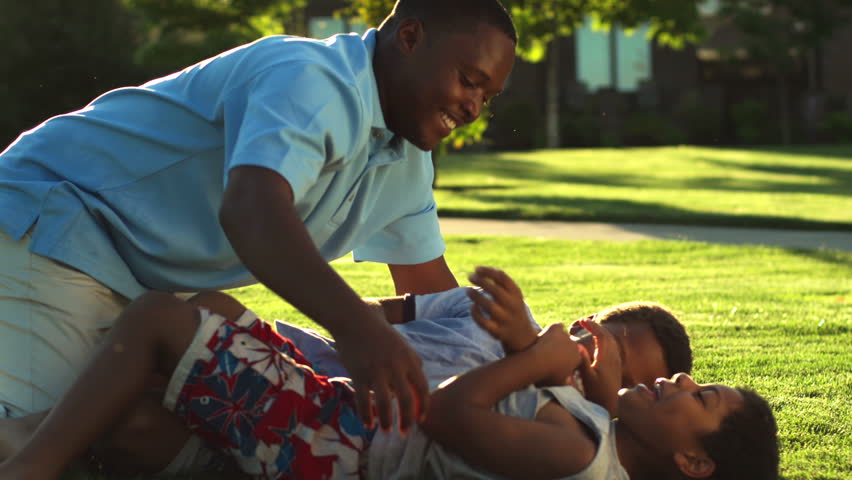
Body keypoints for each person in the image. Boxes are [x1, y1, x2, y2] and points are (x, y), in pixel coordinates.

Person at [0, 0, 517, 467]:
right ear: (409, 37)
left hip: (145, 277)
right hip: (58, 221)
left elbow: (431, 291)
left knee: (140, 432)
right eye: (469, 79)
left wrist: (529, 359)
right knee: (42, 443)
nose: (473, 108)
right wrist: (358, 329)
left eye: (487, 96)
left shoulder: (407, 161)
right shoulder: (310, 77)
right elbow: (252, 209)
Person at [0, 267, 778, 480]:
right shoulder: (594, 438)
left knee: (160, 318)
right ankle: (37, 443)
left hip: (336, 435)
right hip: (334, 421)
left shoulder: (584, 446)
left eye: (698, 396)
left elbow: (444, 418)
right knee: (134, 426)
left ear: (693, 461)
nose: (678, 386)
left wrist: (538, 362)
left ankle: (27, 466)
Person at [274, 270, 693, 390]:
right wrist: (357, 328)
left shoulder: (550, 424)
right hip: (301, 360)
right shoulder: (498, 311)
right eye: (612, 346)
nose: (603, 366)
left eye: (624, 378)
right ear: (586, 324)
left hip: (337, 415)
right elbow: (385, 310)